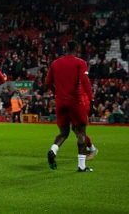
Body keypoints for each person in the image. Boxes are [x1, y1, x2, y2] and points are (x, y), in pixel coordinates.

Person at [45, 40, 95, 172]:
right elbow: (85, 81)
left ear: (65, 48)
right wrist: (91, 98)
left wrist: (57, 93)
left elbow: (47, 82)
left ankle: (53, 151)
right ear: (77, 49)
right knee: (81, 132)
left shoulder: (55, 63)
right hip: (75, 102)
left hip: (60, 102)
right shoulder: (80, 63)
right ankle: (82, 166)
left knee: (63, 133)